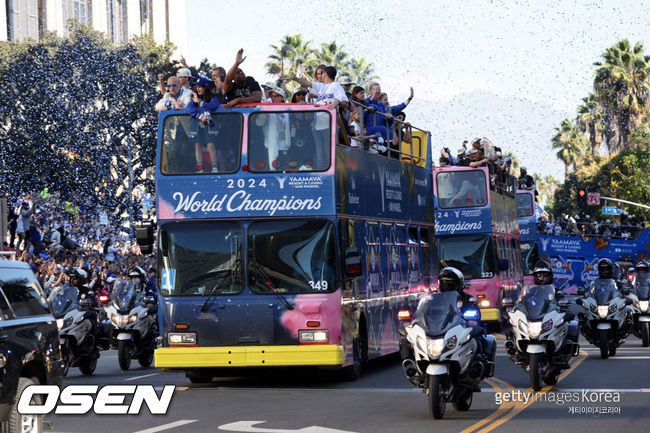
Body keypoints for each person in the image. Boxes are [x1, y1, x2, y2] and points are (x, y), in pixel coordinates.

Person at [187, 75, 224, 172]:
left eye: (201, 86)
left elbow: (212, 106)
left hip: (209, 126)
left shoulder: (212, 97)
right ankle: (200, 167)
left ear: (206, 87)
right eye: (197, 87)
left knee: (210, 144)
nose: (198, 89)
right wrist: (199, 116)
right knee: (197, 144)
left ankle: (214, 167)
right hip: (197, 126)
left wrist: (199, 102)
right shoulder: (193, 98)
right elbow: (190, 108)